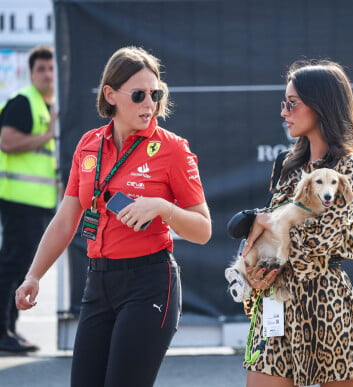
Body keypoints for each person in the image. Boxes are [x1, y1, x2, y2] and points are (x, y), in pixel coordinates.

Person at [15, 46, 212, 387]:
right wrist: (34, 275)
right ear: (110, 94)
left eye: (156, 93)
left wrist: (163, 208)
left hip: (149, 282)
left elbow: (203, 229)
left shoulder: (172, 148)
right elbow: (66, 220)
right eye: (139, 95)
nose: (149, 103)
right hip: (98, 283)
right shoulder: (89, 144)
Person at [240, 60, 353, 387]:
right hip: (276, 299)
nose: (284, 112)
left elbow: (322, 240)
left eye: (292, 103)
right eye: (284, 103)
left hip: (325, 298)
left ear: (320, 105)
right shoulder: (286, 163)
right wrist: (258, 250)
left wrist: (269, 227)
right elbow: (269, 231)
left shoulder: (348, 165)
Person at [0, 45, 57, 353]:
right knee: (12, 266)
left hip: (37, 201)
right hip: (19, 199)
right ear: (31, 73)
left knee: (21, 266)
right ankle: (1, 332)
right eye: (41, 69)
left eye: (51, 69)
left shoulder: (46, 107)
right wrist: (49, 134)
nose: (48, 75)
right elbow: (7, 142)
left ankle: (9, 329)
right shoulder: (24, 102)